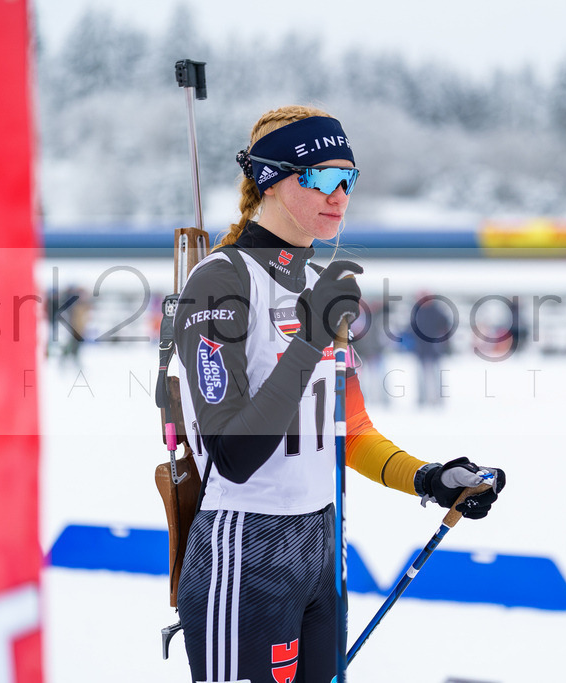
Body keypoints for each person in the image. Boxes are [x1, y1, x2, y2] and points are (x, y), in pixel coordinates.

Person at [172, 105, 506, 683]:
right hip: (244, 542)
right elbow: (234, 455)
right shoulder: (223, 280)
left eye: (349, 178)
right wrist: (311, 336)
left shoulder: (315, 285)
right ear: (271, 179)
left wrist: (429, 478)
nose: (340, 194)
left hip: (322, 544)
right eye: (322, 177)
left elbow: (349, 433)